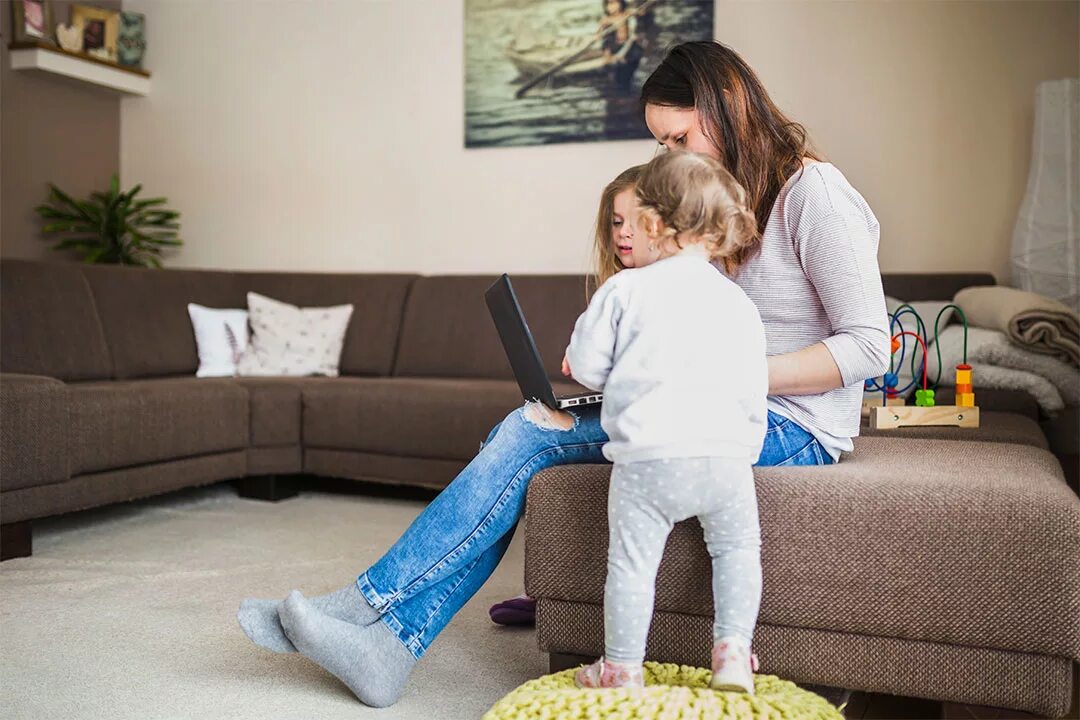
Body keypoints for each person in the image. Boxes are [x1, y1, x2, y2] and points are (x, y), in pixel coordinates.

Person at [238, 40, 889, 707]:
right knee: (528, 422)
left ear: (728, 106)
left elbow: (871, 348)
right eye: (664, 144)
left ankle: (370, 613)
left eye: (680, 136)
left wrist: (729, 375)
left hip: (789, 423)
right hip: (704, 402)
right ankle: (383, 637)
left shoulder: (816, 194)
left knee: (533, 436)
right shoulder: (717, 204)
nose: (675, 157)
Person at [568, 150, 767, 693]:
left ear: (652, 224)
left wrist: (597, 364)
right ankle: (731, 654)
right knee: (738, 552)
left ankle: (621, 668)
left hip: (649, 461)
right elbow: (756, 387)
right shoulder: (738, 303)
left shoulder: (625, 289)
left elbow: (587, 369)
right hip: (726, 461)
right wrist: (742, 447)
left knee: (632, 566)